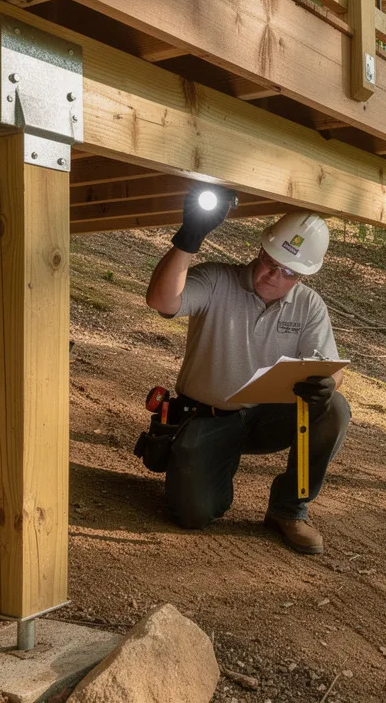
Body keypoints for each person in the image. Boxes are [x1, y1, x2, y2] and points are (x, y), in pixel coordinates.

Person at [142, 189, 350, 554]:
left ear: (303, 276)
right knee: (193, 514)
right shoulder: (217, 280)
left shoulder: (308, 306)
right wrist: (189, 238)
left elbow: (330, 367)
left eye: (289, 272)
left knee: (334, 408)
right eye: (271, 261)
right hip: (208, 417)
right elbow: (162, 301)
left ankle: (288, 510)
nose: (274, 275)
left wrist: (327, 384)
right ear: (261, 249)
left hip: (267, 418)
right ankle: (199, 467)